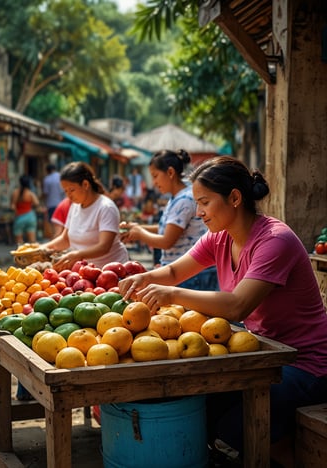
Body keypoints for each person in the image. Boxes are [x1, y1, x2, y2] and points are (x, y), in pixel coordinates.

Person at [117, 156, 327, 467]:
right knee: (201, 406)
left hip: (307, 363)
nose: (198, 212)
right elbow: (175, 272)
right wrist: (143, 277)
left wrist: (171, 294)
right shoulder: (219, 237)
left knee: (235, 429)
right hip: (264, 353)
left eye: (204, 202)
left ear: (235, 198)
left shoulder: (274, 241)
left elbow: (237, 305)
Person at [120, 149, 218, 290]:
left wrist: (140, 233)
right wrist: (137, 228)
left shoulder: (184, 199)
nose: (154, 183)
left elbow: (167, 241)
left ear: (170, 173)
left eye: (155, 176)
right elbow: (170, 228)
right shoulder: (178, 196)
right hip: (185, 272)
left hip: (190, 275)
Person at [40, 161, 129, 270]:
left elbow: (104, 247)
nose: (69, 195)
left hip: (112, 271)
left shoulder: (106, 207)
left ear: (85, 185)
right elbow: (65, 239)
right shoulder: (74, 206)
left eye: (72, 190)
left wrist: (78, 255)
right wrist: (41, 248)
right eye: (65, 191)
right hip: (85, 271)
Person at [11, 174, 40, 245]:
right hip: (30, 216)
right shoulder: (30, 193)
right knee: (32, 241)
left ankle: (21, 255)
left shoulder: (15, 192)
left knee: (19, 242)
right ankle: (33, 255)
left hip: (19, 217)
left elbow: (12, 206)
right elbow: (37, 203)